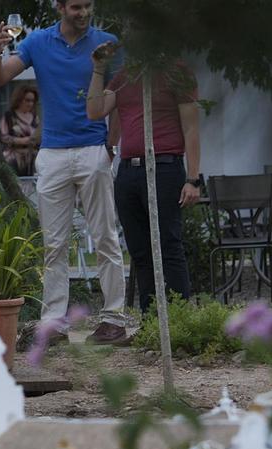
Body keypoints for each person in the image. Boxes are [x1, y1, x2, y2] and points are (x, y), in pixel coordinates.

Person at [0, 0, 129, 346]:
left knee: (106, 236)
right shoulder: (38, 42)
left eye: (88, 6)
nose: (83, 13)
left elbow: (120, 99)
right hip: (52, 153)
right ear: (60, 7)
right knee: (53, 244)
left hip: (93, 150)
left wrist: (110, 147)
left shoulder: (107, 44)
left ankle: (114, 318)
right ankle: (54, 323)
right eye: (76, 7)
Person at [86, 51, 201, 317]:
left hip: (164, 166)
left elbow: (192, 128)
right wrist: (98, 70)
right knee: (139, 250)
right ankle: (151, 320)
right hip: (128, 170)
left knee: (169, 245)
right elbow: (95, 110)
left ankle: (177, 317)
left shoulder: (177, 71)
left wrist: (193, 179)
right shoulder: (127, 75)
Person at [1, 85, 41, 177]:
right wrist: (21, 141)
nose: (30, 104)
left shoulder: (35, 117)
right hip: (13, 160)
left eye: (32, 101)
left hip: (32, 160)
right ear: (19, 99)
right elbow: (2, 137)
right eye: (27, 100)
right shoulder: (9, 116)